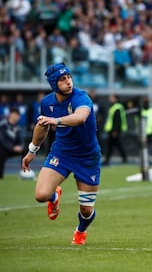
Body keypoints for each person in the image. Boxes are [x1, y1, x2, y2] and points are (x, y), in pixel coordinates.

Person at [21, 63, 101, 245]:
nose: (68, 82)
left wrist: (55, 120)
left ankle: (80, 231)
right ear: (54, 84)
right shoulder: (47, 103)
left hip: (87, 157)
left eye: (69, 77)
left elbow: (80, 117)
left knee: (87, 211)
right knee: (41, 195)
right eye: (62, 79)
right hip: (62, 153)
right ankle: (54, 196)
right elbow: (42, 126)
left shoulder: (81, 97)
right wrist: (31, 151)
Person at [103, 94, 128, 165]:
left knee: (114, 145)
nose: (110, 99)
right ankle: (123, 158)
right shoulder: (114, 107)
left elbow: (117, 120)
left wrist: (115, 131)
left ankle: (108, 160)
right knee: (114, 145)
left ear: (116, 99)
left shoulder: (117, 108)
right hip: (112, 130)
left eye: (111, 98)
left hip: (114, 131)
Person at [0, 107, 24, 179]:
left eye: (18, 115)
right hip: (3, 149)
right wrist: (12, 148)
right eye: (15, 115)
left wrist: (19, 146)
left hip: (12, 149)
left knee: (26, 150)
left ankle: (24, 172)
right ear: (10, 115)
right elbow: (2, 140)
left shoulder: (17, 127)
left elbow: (19, 141)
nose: (16, 117)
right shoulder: (3, 124)